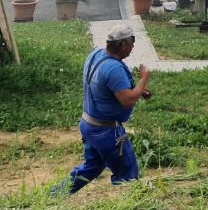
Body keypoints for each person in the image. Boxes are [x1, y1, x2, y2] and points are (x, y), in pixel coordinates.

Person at [51, 22, 152, 196]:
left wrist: (138, 90)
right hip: (107, 132)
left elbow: (107, 87)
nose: (132, 48)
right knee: (127, 175)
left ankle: (52, 196)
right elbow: (127, 100)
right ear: (123, 45)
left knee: (90, 169)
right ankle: (126, 206)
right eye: (131, 44)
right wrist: (143, 79)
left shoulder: (96, 55)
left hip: (89, 125)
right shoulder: (113, 68)